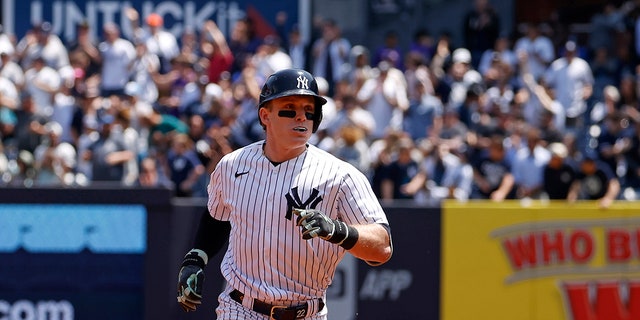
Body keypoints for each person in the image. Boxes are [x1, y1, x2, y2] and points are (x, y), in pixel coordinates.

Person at [176, 69, 393, 319]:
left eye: (308, 109)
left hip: (305, 312)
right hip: (239, 308)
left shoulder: (340, 175)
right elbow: (217, 216)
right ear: (265, 115)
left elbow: (382, 247)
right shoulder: (232, 166)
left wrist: (337, 230)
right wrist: (196, 258)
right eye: (289, 107)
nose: (301, 115)